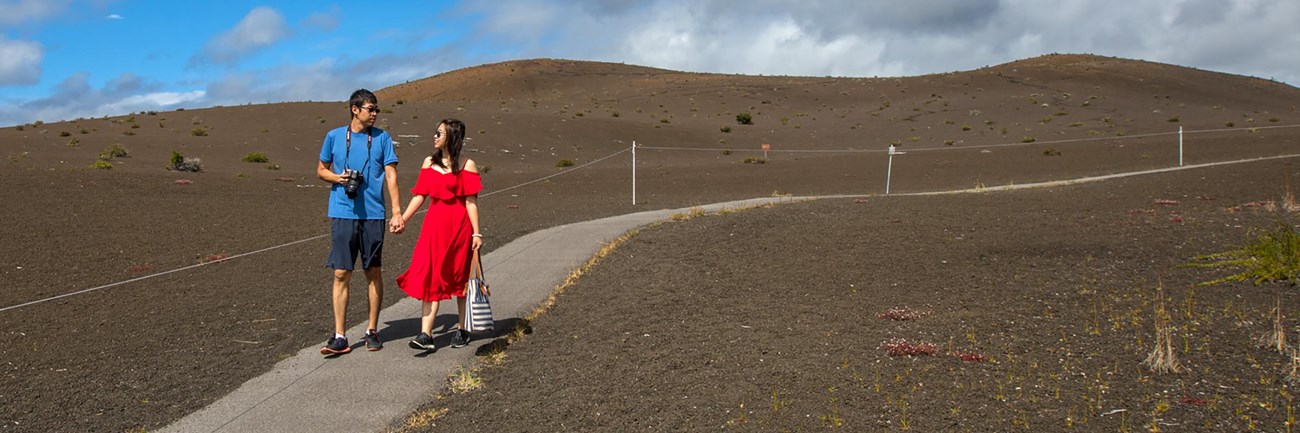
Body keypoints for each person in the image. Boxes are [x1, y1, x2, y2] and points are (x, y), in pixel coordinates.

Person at [316, 89, 404, 355]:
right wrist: (338, 178)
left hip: (373, 215)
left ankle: (372, 330)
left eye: (377, 109)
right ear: (355, 109)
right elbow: (320, 170)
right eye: (370, 109)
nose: (375, 114)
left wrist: (397, 211)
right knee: (341, 272)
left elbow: (390, 175)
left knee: (372, 271)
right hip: (343, 213)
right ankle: (340, 336)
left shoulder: (382, 138)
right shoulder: (333, 136)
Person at [396, 118, 484, 351]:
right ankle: (426, 334)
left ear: (452, 137)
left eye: (439, 133)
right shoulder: (428, 162)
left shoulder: (467, 165)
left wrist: (477, 234)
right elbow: (419, 195)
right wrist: (403, 219)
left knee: (459, 277)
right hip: (433, 228)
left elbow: (471, 202)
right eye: (435, 132)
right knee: (430, 274)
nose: (434, 136)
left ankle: (463, 329)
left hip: (459, 228)